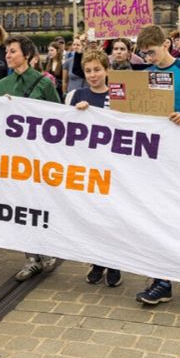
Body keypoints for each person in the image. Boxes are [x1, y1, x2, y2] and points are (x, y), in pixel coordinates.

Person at [135, 24, 180, 306]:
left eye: (151, 53)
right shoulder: (144, 74)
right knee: (159, 214)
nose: (149, 58)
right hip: (156, 153)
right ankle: (162, 280)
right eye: (144, 55)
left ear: (165, 45)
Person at [0, 36, 61, 281]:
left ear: (27, 54)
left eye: (12, 51)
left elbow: (58, 115)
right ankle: (31, 257)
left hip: (40, 154)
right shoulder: (2, 84)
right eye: (6, 52)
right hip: (15, 154)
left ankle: (48, 248)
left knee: (42, 203)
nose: (8, 55)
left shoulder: (44, 82)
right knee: (21, 206)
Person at [69, 49, 122, 288]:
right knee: (93, 217)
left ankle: (114, 263)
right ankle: (98, 261)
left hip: (113, 166)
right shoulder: (76, 95)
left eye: (97, 70)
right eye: (88, 70)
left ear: (107, 70)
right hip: (88, 165)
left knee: (113, 216)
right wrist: (75, 114)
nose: (93, 75)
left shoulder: (119, 94)